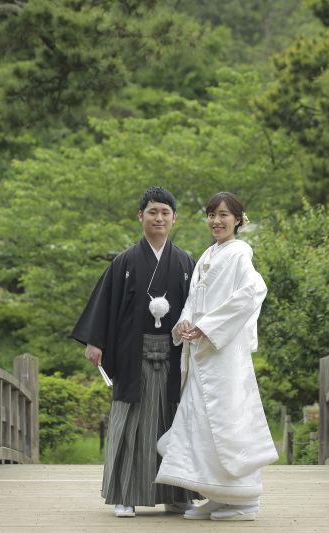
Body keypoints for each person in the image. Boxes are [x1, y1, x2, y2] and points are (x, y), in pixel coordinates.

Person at [71, 187, 198, 517]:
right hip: (133, 355)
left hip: (174, 354)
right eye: (153, 212)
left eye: (165, 213)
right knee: (130, 423)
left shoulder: (185, 262)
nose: (159, 218)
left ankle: (179, 494)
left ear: (174, 218)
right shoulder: (124, 261)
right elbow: (105, 305)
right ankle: (124, 494)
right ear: (140, 216)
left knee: (176, 420)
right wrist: (95, 341)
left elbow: (198, 308)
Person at [154, 192, 279, 521]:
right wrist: (185, 322)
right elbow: (196, 301)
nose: (216, 221)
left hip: (223, 354)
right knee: (201, 423)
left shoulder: (240, 253)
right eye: (211, 215)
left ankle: (245, 501)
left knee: (227, 422)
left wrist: (207, 326)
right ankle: (216, 495)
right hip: (200, 351)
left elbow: (250, 294)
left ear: (238, 219)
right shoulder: (208, 254)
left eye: (223, 215)